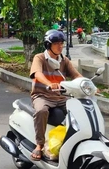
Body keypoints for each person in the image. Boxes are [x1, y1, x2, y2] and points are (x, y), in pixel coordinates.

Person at [29, 29, 82, 160]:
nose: (60, 46)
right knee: (41, 111)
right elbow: (37, 74)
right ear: (48, 45)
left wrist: (87, 84)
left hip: (61, 97)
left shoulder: (64, 60)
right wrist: (49, 83)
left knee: (79, 111)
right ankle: (39, 145)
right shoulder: (39, 58)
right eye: (56, 43)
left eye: (62, 43)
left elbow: (76, 75)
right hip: (42, 95)